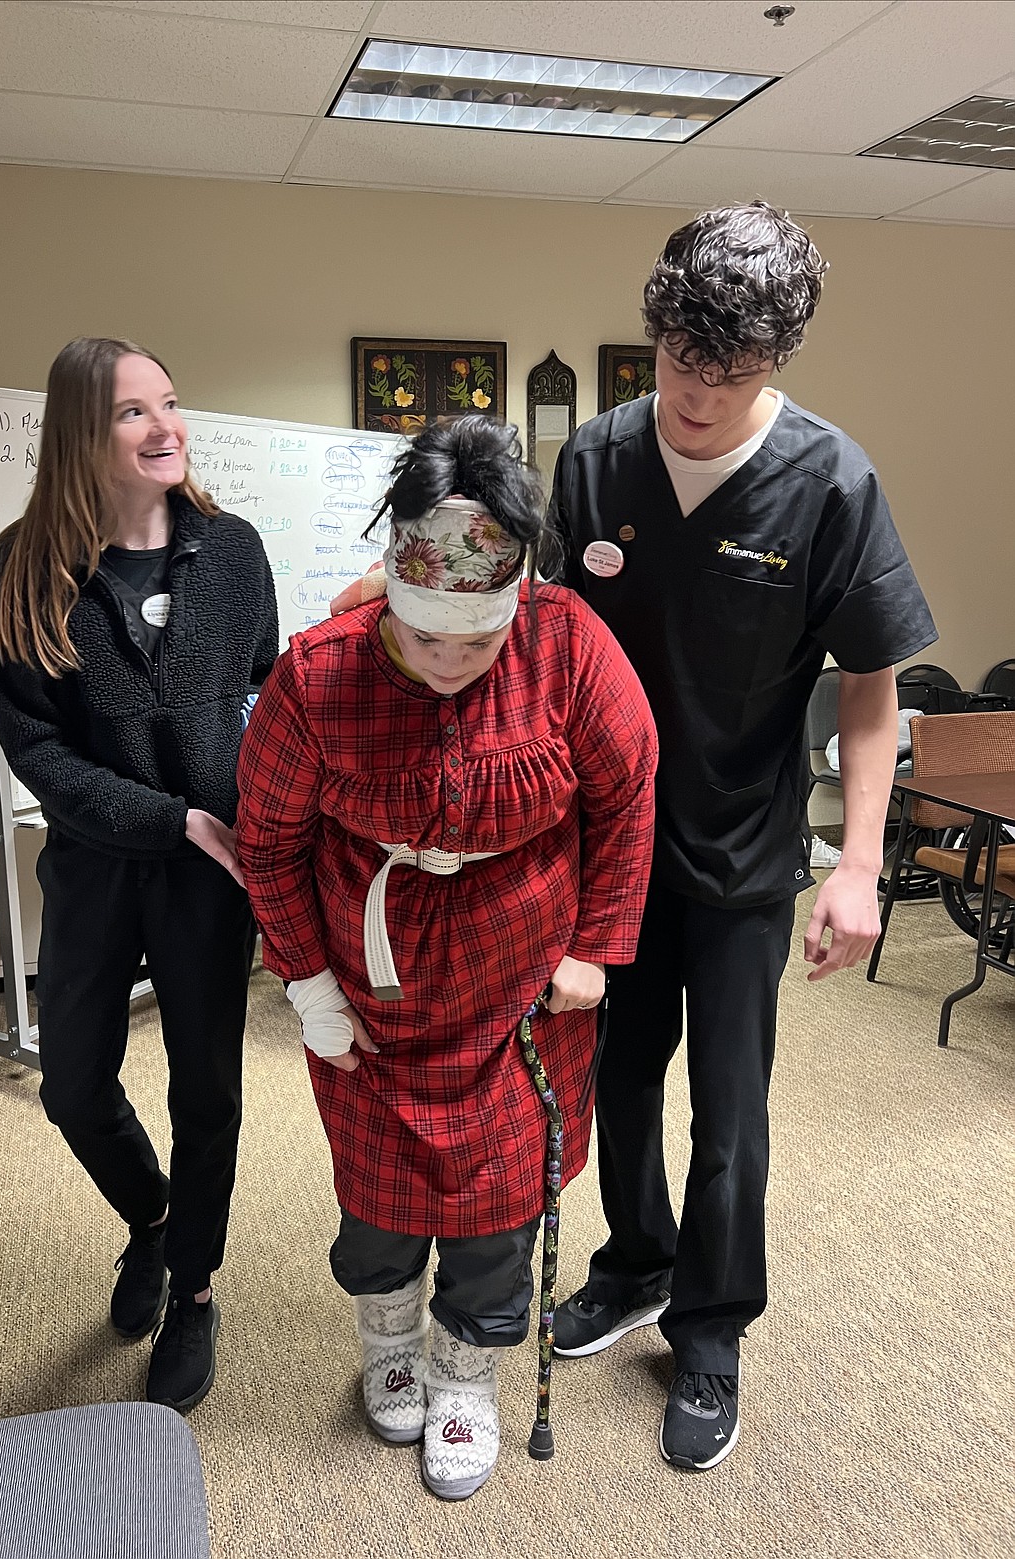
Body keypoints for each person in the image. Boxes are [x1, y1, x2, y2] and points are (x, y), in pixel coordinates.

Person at [546, 202, 937, 1471]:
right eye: (677, 363)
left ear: (780, 359)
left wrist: (863, 866)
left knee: (730, 1110)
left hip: (741, 858)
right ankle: (639, 1261)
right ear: (653, 332)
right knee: (617, 1081)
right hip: (609, 853)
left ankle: (710, 1328)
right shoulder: (595, 462)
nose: (698, 396)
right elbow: (546, 643)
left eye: (734, 373)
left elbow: (871, 690)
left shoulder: (831, 481)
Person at [236, 417, 657, 1500]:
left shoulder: (568, 643)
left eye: (476, 646)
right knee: (378, 1207)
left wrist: (597, 949)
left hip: (523, 995)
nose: (452, 667)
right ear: (391, 603)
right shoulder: (318, 673)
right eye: (429, 642)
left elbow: (626, 796)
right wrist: (309, 981)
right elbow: (270, 841)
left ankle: (466, 1370)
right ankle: (389, 1340)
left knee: (500, 1204)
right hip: (374, 1003)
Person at [0, 337, 278, 1413]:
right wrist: (168, 815)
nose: (166, 428)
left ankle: (191, 1283)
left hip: (213, 879)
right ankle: (150, 1217)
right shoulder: (21, 573)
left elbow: (264, 687)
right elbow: (39, 753)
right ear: (78, 438)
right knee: (73, 1086)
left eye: (172, 404)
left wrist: (251, 810)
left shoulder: (233, 552)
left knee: (209, 1090)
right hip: (100, 866)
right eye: (132, 414)